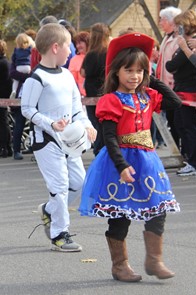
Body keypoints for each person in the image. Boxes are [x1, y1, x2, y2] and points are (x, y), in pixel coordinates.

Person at [79, 32, 181, 282]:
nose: (134, 76)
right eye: (129, 70)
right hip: (119, 164)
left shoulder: (147, 96)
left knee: (158, 209)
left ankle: (154, 260)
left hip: (147, 162)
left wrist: (151, 79)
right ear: (116, 73)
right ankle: (120, 265)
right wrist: (122, 166)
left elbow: (174, 102)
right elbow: (109, 138)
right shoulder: (111, 100)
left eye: (139, 70)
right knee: (120, 215)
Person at [21, 23, 96, 252]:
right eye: (68, 46)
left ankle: (49, 210)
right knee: (60, 185)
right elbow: (27, 109)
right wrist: (50, 123)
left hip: (69, 140)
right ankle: (59, 234)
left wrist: (86, 124)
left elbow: (76, 106)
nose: (71, 51)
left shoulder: (65, 75)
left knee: (79, 182)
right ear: (55, 47)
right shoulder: (37, 78)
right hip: (46, 140)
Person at [166, 9, 196, 177]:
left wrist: (183, 48)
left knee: (190, 127)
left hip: (190, 91)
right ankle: (192, 160)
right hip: (182, 89)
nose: (177, 29)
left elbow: (173, 65)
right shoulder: (187, 42)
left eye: (180, 25)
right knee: (182, 125)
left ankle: (195, 162)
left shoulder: (193, 42)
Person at [81, 22, 110, 156]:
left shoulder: (91, 54)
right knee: (106, 122)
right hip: (106, 90)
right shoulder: (110, 52)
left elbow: (84, 72)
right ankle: (104, 148)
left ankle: (99, 149)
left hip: (92, 91)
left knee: (96, 122)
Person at [156, 6, 182, 150]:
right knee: (171, 121)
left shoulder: (177, 39)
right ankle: (178, 150)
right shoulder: (167, 37)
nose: (160, 22)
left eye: (162, 19)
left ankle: (182, 152)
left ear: (169, 21)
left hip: (174, 86)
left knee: (178, 122)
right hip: (165, 85)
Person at [0, 40, 13, 158]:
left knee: (2, 123)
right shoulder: (5, 62)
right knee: (4, 123)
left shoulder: (2, 63)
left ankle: (4, 147)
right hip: (4, 95)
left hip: (2, 96)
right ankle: (7, 147)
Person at [10, 33, 32, 99]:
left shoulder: (16, 50)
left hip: (19, 67)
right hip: (28, 67)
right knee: (27, 81)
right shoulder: (29, 49)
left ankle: (14, 91)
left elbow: (12, 59)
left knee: (16, 81)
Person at [68, 31, 90, 97]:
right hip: (82, 97)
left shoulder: (96, 56)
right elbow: (72, 81)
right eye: (76, 44)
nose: (78, 46)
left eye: (80, 43)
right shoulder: (74, 60)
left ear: (87, 42)